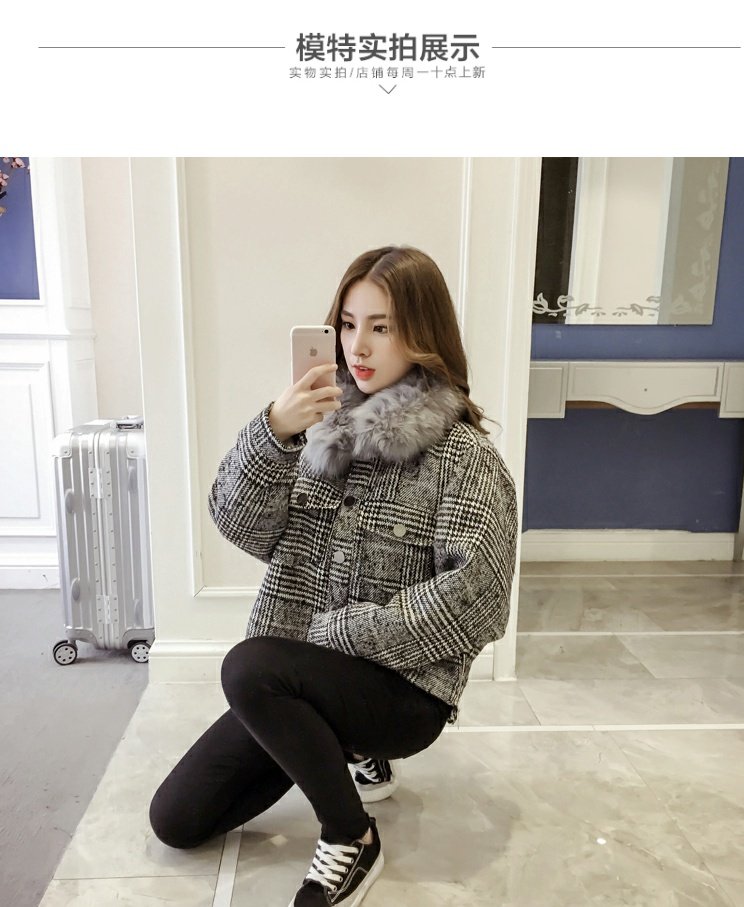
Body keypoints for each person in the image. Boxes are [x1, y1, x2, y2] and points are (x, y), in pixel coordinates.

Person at [148, 245, 518, 906]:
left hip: (403, 692)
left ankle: (352, 834)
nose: (357, 345)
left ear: (423, 332)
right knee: (177, 820)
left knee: (249, 668)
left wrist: (348, 631)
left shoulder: (462, 456)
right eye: (347, 324)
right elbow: (240, 525)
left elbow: (478, 599)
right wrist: (273, 432)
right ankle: (351, 751)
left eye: (381, 326)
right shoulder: (317, 430)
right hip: (301, 683)